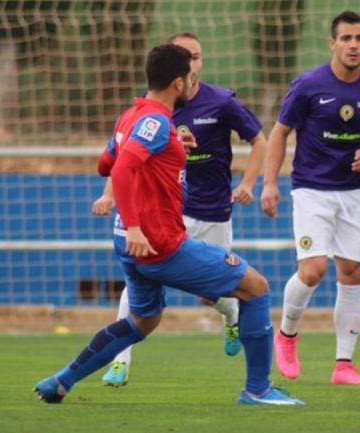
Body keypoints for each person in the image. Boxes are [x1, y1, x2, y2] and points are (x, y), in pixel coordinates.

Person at [34, 43, 303, 406]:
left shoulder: (131, 117)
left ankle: (61, 381)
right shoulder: (156, 121)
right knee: (256, 287)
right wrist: (134, 225)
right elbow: (125, 167)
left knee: (142, 322)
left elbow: (106, 162)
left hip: (132, 246)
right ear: (178, 82)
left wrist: (171, 147)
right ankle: (257, 389)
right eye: (190, 76)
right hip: (159, 243)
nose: (194, 81)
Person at [93, 32, 267, 387]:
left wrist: (248, 183)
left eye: (197, 56)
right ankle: (119, 362)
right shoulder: (151, 111)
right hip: (168, 214)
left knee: (212, 295)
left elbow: (259, 137)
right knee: (136, 283)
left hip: (213, 210)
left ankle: (231, 316)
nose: (193, 64)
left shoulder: (220, 101)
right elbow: (127, 160)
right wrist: (109, 193)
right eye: (186, 56)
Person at [259, 10, 360, 385]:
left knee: (353, 271)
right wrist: (269, 183)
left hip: (355, 192)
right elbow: (280, 133)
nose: (353, 45)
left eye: (359, 38)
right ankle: (286, 335)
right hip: (312, 190)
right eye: (346, 39)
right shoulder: (308, 84)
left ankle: (343, 365)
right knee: (313, 270)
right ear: (333, 43)